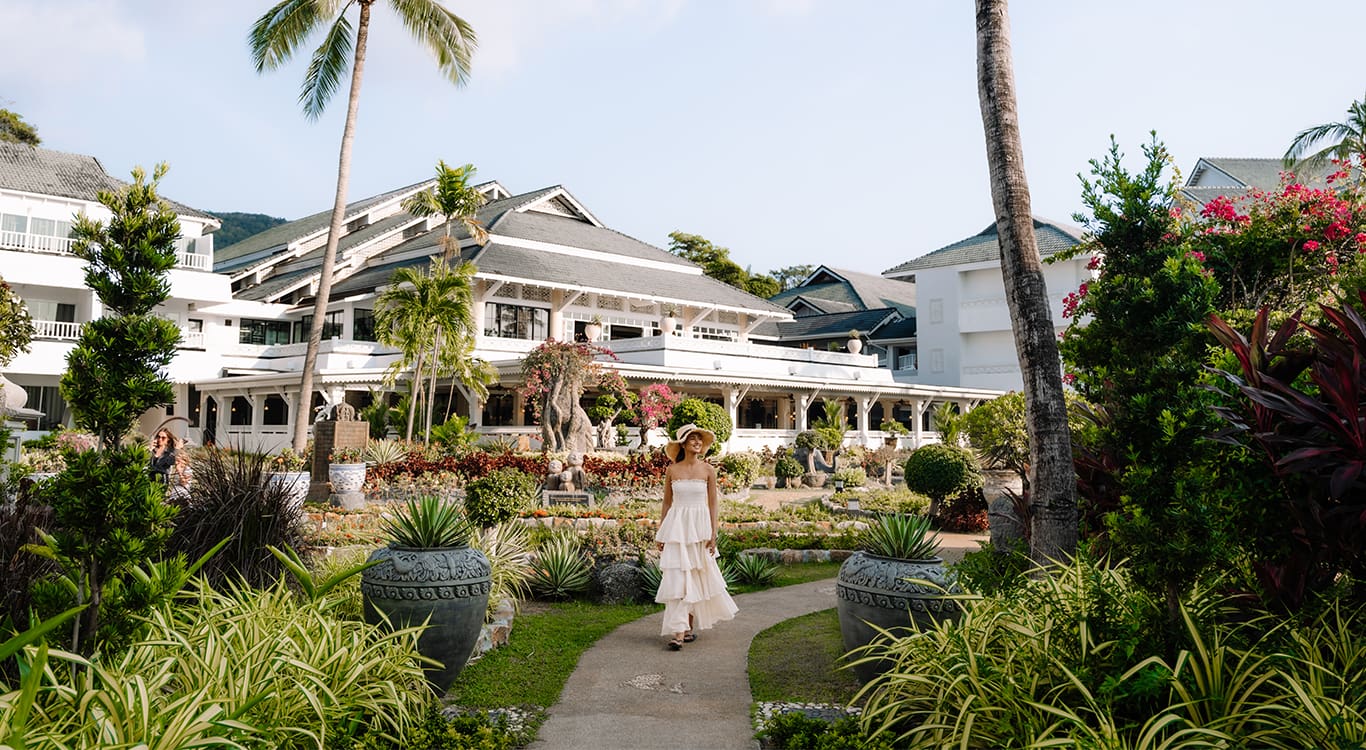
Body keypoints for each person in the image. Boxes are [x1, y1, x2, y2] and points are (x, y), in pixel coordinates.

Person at [654, 423, 738, 650]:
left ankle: (686, 630)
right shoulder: (673, 470)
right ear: (683, 443)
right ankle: (679, 633)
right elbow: (667, 502)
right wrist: (661, 533)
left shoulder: (708, 470)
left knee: (695, 577)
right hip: (677, 529)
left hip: (699, 529)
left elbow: (712, 503)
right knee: (678, 579)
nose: (697, 442)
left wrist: (713, 533)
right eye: (692, 439)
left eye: (700, 439)